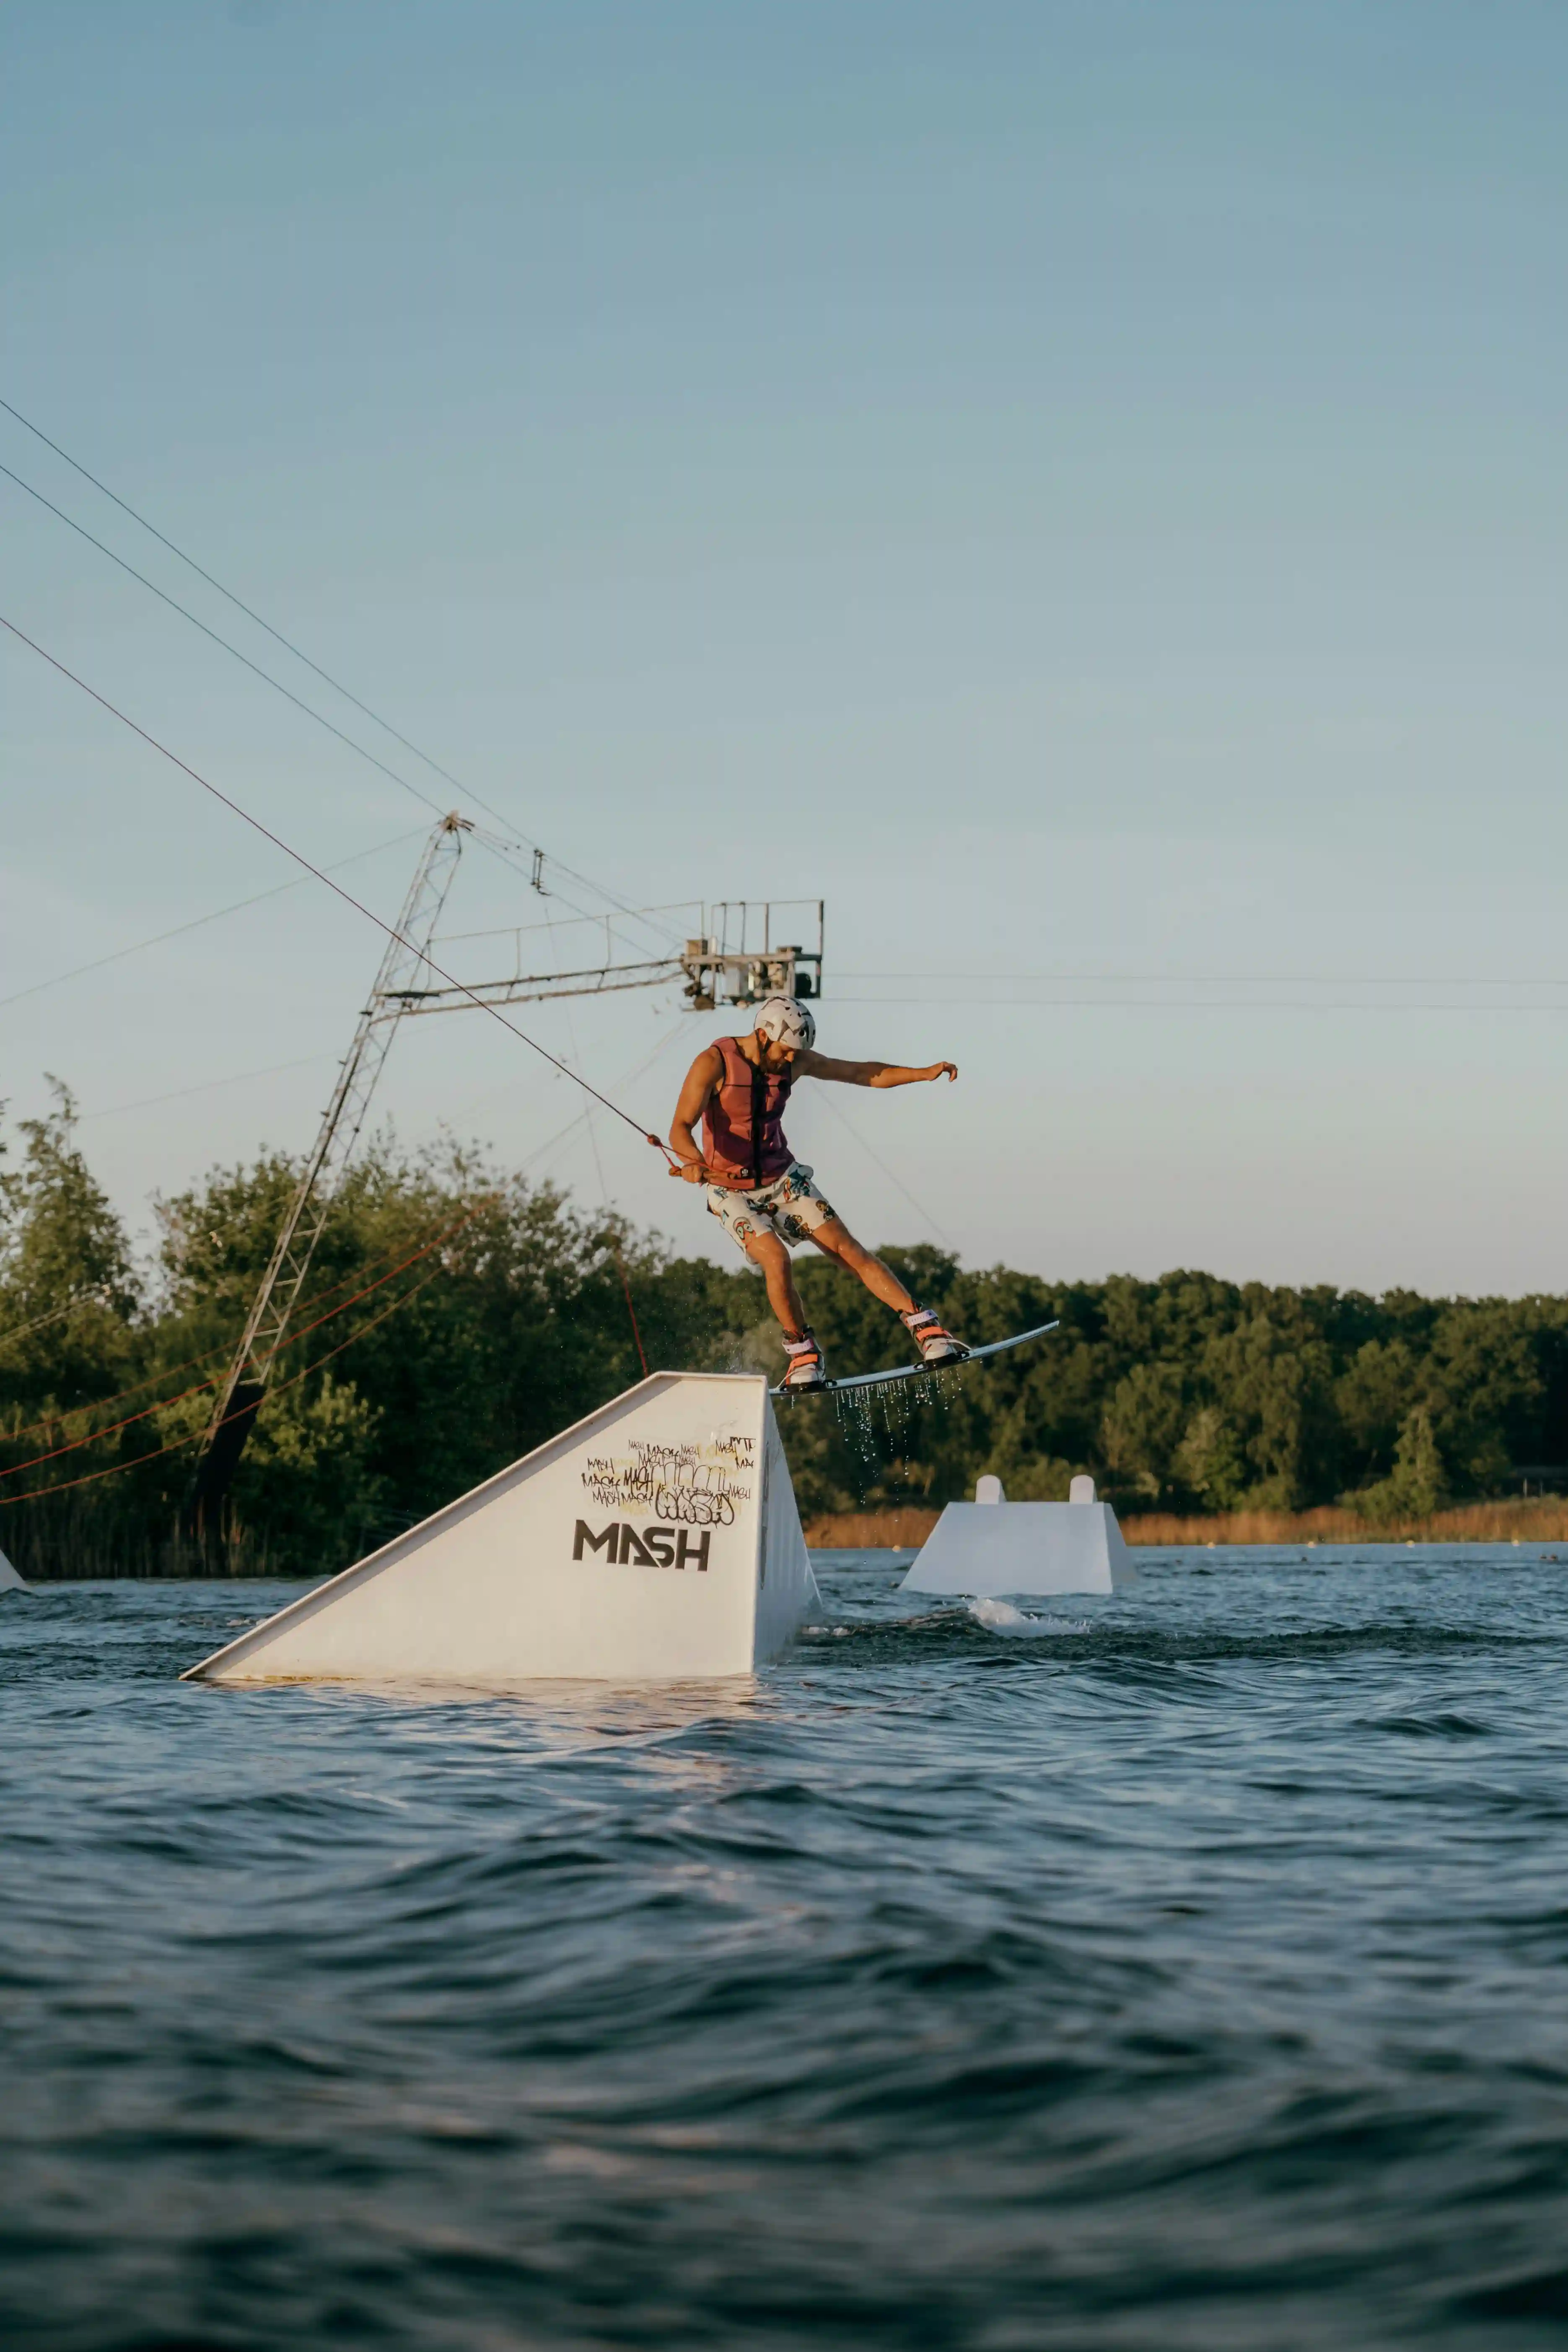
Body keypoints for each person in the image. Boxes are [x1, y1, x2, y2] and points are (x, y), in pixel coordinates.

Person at [668, 994, 968, 1390]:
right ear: (762, 1034)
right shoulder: (713, 1063)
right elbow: (680, 1127)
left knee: (847, 1249)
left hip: (782, 1177)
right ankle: (803, 1353)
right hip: (729, 1189)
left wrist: (922, 1072)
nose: (792, 1060)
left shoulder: (797, 1059)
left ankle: (927, 1331)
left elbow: (863, 1073)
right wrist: (692, 1163)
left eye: (798, 1053)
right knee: (776, 1259)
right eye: (786, 1051)